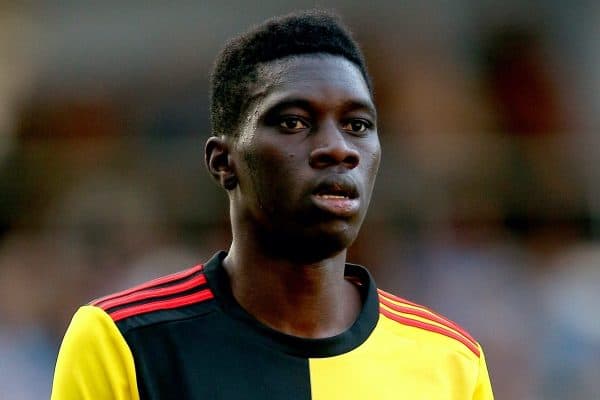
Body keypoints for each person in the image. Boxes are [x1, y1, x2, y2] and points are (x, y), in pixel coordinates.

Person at [51, 10, 494, 399]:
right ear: (223, 162)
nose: (338, 149)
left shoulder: (449, 361)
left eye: (357, 124)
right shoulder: (123, 342)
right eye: (294, 121)